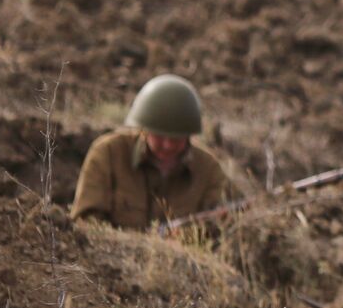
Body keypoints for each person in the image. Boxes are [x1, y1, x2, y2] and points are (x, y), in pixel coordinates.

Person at [71, 74, 229, 230]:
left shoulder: (208, 170)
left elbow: (225, 225)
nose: (167, 145)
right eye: (159, 136)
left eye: (176, 139)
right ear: (144, 129)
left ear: (189, 135)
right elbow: (86, 222)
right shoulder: (109, 153)